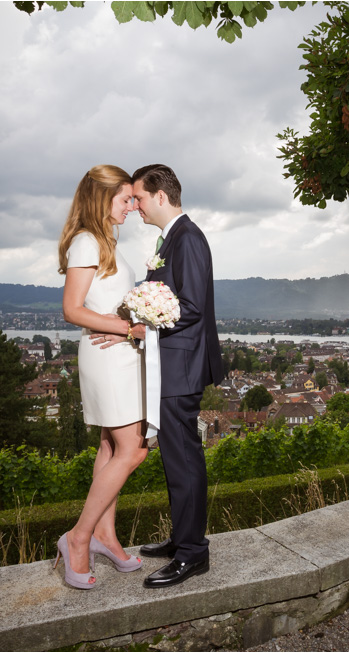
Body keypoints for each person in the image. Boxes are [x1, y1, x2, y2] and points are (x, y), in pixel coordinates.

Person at [128, 163, 224, 588]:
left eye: (140, 198)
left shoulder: (188, 239)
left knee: (184, 459)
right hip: (173, 364)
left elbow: (191, 307)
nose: (136, 206)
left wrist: (146, 323)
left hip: (182, 366)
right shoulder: (172, 239)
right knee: (174, 458)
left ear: (161, 196)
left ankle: (192, 554)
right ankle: (181, 538)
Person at [54, 165, 149, 589]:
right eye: (125, 198)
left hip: (119, 353)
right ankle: (78, 538)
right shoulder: (87, 241)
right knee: (134, 448)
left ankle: (106, 536)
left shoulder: (106, 239)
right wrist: (127, 328)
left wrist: (134, 319)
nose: (132, 205)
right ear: (101, 197)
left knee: (112, 446)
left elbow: (106, 303)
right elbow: (73, 309)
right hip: (108, 356)